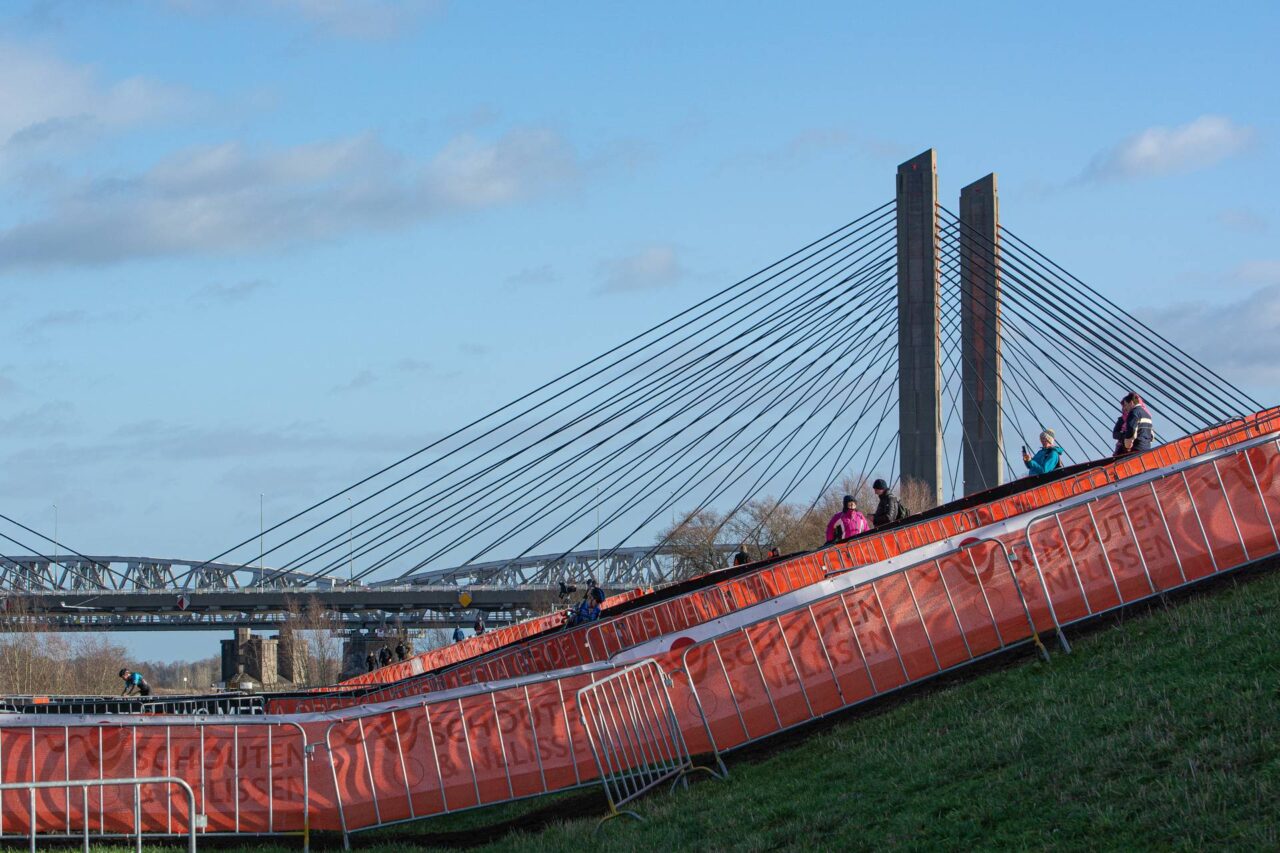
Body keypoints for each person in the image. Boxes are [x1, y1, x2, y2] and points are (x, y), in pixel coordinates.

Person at [1113, 392, 1154, 457]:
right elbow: (1151, 434)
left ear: (1131, 403)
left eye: (1126, 404)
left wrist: (1128, 445)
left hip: (1135, 448)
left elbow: (1131, 430)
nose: (1125, 407)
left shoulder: (1134, 412)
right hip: (1146, 448)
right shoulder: (1147, 414)